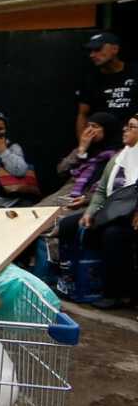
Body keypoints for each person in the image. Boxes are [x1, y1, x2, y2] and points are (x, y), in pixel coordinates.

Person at [69, 113, 138, 309]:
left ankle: (115, 294)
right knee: (68, 225)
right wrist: (90, 211)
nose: (125, 129)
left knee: (113, 235)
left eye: (132, 127)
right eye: (126, 126)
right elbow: (100, 191)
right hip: (112, 212)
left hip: (130, 217)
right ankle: (72, 281)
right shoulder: (118, 158)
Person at [57, 111, 122, 209]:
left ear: (108, 129)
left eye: (94, 126)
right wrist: (81, 150)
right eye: (88, 126)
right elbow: (61, 171)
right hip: (67, 195)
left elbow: (115, 187)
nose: (89, 130)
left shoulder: (119, 155)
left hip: (91, 202)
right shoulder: (87, 148)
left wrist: (87, 199)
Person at [76, 32, 135, 139]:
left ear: (115, 49)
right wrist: (83, 143)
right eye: (91, 51)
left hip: (132, 141)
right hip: (104, 144)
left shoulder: (134, 72)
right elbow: (83, 114)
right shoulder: (90, 80)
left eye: (98, 49)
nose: (92, 55)